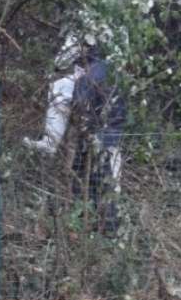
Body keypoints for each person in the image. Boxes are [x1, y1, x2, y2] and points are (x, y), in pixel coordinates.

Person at [23, 34, 126, 235]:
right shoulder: (109, 70)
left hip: (96, 138)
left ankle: (97, 231)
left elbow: (82, 105)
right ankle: (101, 232)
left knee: (94, 183)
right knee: (104, 185)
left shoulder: (89, 76)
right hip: (108, 137)